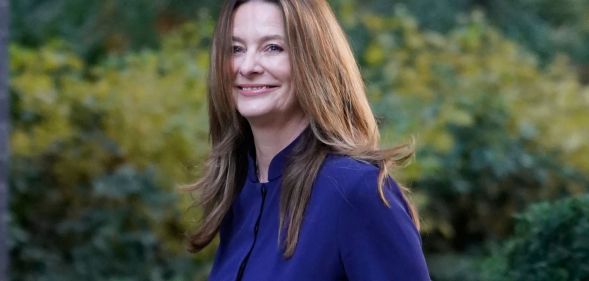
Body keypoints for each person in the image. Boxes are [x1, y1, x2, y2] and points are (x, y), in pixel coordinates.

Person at [186, 0, 431, 280]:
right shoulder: (239, 193)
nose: (248, 65)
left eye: (273, 48)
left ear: (314, 59)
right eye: (236, 49)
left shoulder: (356, 191)